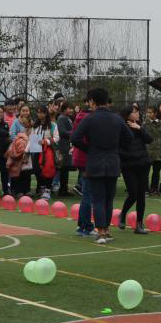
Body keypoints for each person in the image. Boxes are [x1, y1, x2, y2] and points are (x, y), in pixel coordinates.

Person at [70, 88, 124, 244]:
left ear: (92, 101)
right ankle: (106, 230)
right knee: (108, 199)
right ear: (107, 101)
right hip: (113, 162)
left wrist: (89, 149)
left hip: (95, 162)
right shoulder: (117, 119)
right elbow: (128, 137)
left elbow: (75, 138)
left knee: (98, 200)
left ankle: (100, 233)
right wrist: (115, 148)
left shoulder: (90, 119)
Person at [118, 105, 153, 233]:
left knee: (141, 195)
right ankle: (122, 214)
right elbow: (119, 147)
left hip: (143, 164)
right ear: (127, 115)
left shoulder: (139, 126)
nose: (137, 114)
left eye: (138, 111)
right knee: (133, 193)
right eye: (134, 112)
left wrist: (140, 128)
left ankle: (139, 224)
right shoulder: (122, 128)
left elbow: (149, 140)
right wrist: (129, 155)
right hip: (128, 166)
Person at [71, 95, 96, 236]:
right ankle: (86, 226)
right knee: (88, 194)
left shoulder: (80, 116)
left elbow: (75, 135)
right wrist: (89, 149)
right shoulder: (90, 118)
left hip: (80, 157)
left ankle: (82, 225)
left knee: (87, 192)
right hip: (87, 158)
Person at [28, 105, 59, 199]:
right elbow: (31, 138)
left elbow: (57, 138)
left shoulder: (52, 125)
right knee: (36, 169)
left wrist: (46, 141)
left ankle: (47, 189)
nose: (39, 114)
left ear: (46, 113)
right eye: (38, 112)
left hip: (47, 150)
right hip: (36, 150)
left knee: (48, 169)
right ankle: (42, 187)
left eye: (41, 112)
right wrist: (26, 151)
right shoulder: (35, 125)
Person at [6, 110, 33, 197]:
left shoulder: (31, 132)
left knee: (27, 174)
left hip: (28, 157)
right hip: (20, 156)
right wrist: (23, 151)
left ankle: (26, 190)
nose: (28, 126)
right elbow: (15, 140)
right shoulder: (21, 135)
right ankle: (18, 190)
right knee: (19, 173)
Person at [55, 99, 75, 196]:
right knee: (63, 168)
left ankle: (64, 188)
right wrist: (74, 133)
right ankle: (62, 190)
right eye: (69, 108)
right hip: (63, 146)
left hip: (67, 146)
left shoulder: (67, 118)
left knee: (66, 168)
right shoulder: (61, 118)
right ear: (64, 109)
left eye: (72, 108)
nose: (71, 110)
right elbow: (62, 132)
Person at [145, 103, 161, 196]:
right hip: (147, 151)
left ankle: (154, 189)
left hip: (158, 151)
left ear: (155, 113)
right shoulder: (145, 123)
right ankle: (145, 189)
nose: (148, 114)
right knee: (145, 172)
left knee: (156, 172)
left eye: (150, 112)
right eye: (148, 112)